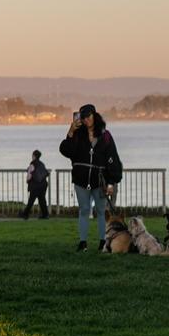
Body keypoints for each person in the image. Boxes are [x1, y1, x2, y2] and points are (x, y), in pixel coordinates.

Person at [59, 103, 120, 252]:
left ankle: (102, 242)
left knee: (101, 211)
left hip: (99, 181)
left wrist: (111, 182)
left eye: (89, 117)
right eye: (83, 118)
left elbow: (113, 159)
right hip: (80, 179)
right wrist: (71, 131)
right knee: (84, 210)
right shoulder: (78, 134)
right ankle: (83, 242)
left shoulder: (105, 135)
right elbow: (66, 150)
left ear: (94, 115)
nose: (86, 120)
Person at [20, 150, 49, 220]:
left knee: (31, 200)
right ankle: (45, 215)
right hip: (43, 184)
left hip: (35, 185)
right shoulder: (42, 164)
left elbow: (29, 176)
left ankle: (25, 214)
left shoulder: (32, 164)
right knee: (42, 200)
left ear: (34, 156)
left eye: (32, 155)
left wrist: (27, 181)